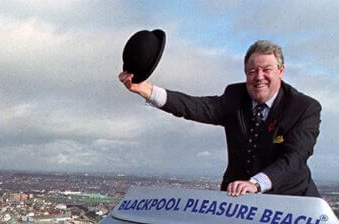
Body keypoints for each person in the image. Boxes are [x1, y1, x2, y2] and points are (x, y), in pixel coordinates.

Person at [119, 40, 321, 197]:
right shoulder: (234, 97)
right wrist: (147, 90)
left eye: (266, 69)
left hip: (293, 203)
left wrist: (256, 183)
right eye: (252, 71)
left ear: (281, 70)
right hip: (239, 199)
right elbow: (196, 107)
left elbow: (294, 159)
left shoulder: (304, 108)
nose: (259, 77)